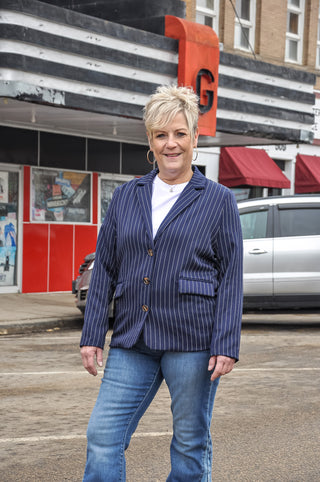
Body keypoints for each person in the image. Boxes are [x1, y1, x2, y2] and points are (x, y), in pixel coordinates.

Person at [80, 84, 243, 481]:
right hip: (132, 339)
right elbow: (106, 269)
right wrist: (91, 333)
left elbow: (231, 275)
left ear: (194, 138)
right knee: (103, 436)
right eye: (161, 135)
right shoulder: (126, 196)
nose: (171, 144)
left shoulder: (218, 200)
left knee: (189, 443)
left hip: (193, 341)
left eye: (180, 134)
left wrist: (226, 342)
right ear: (150, 141)